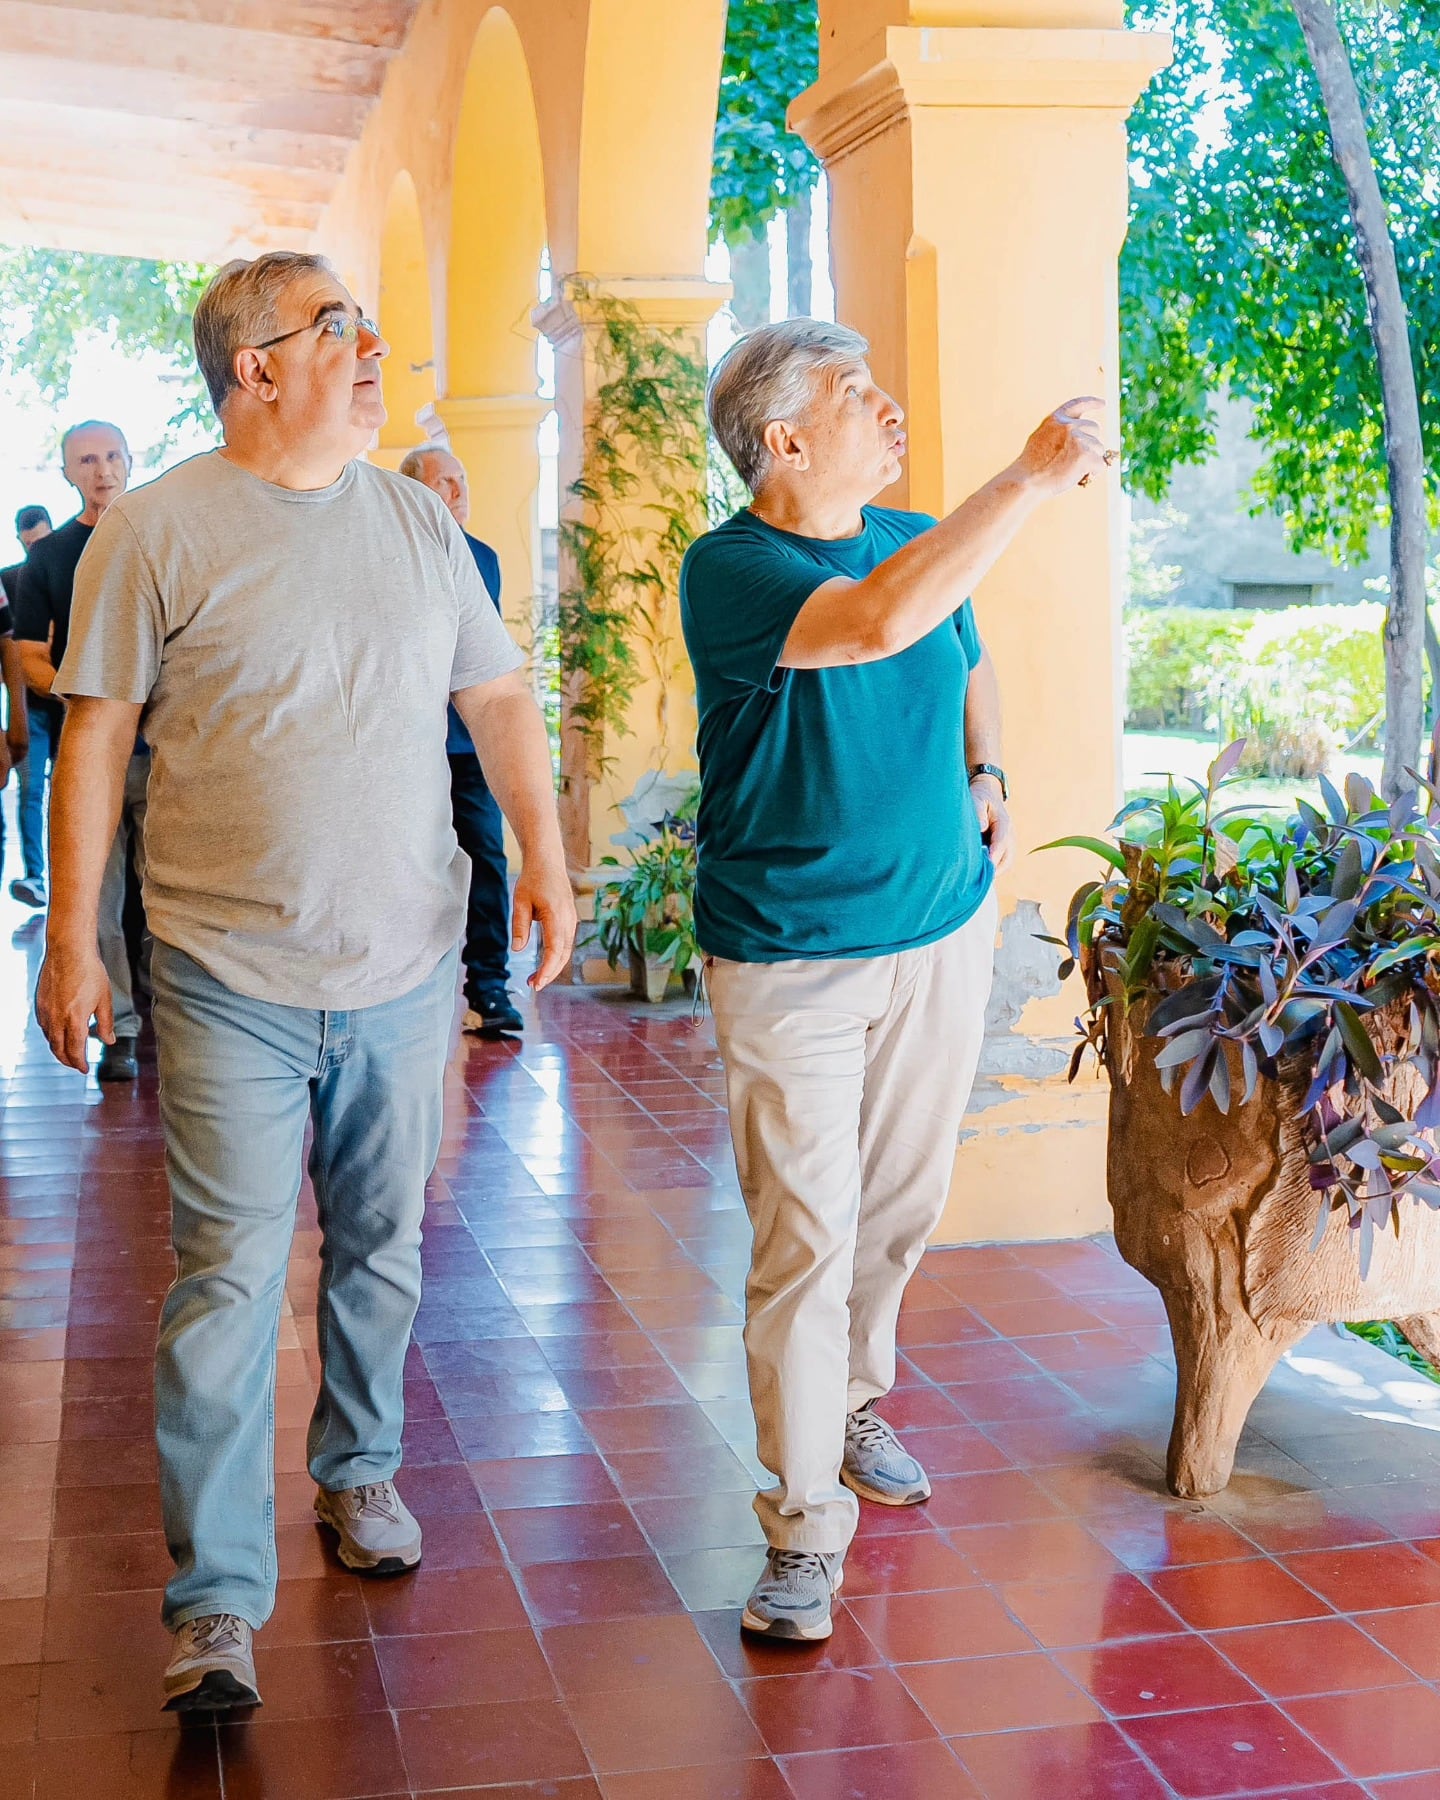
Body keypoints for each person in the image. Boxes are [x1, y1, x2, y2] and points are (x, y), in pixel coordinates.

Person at [34, 250, 575, 1713]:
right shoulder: (151, 531)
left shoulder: (418, 524)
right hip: (221, 969)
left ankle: (361, 1472)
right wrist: (68, 938)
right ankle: (214, 1600)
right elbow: (93, 740)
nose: (371, 341)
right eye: (338, 324)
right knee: (223, 1276)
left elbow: (499, 695)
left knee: (383, 1247)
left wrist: (544, 851)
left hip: (403, 962)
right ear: (256, 366)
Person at [681, 318, 1108, 1642]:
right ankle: (804, 1524)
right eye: (856, 397)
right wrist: (1031, 477)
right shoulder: (733, 566)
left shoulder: (914, 535)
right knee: (804, 1236)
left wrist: (990, 777)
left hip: (938, 929)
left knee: (902, 1207)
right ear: (788, 438)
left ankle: (852, 1399)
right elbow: (873, 629)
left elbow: (959, 655)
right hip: (791, 957)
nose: (890, 408)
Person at [14, 430, 148, 1082]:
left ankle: (180, 1024)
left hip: (169, 752)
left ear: (131, 460)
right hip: (89, 756)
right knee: (99, 896)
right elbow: (32, 659)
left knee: (175, 897)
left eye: (113, 456)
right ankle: (120, 1029)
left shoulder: (158, 535)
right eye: (88, 460)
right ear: (68, 472)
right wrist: (95, 694)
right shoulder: (49, 559)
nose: (103, 470)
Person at [398, 442, 523, 1036]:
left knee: (488, 862)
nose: (456, 491)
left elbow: (483, 661)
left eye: (461, 478)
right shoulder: (393, 554)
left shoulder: (485, 558)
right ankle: (409, 983)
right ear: (417, 492)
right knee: (408, 863)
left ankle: (490, 987)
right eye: (443, 481)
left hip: (470, 746)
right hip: (409, 746)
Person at [4, 504, 53, 906]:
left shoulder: (71, 569)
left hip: (70, 702)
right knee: (31, 792)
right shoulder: (8, 580)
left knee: (76, 791)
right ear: (20, 539)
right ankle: (36, 876)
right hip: (31, 706)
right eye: (30, 541)